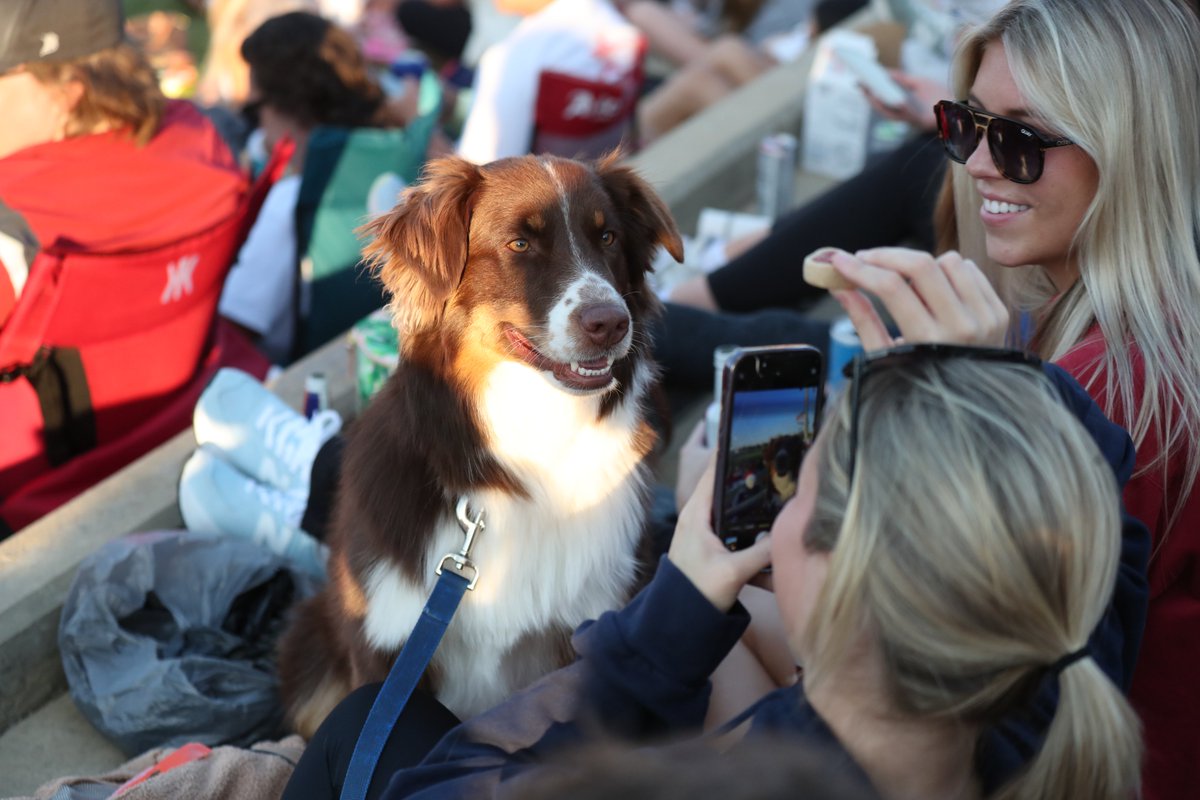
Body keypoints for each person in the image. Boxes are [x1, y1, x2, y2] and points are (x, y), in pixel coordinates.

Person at [287, 348, 1144, 799]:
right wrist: (984, 370)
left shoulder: (760, 778)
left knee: (366, 722)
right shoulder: (1047, 697)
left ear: (838, 573)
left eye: (798, 487)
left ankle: (288, 482)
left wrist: (672, 612)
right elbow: (1117, 539)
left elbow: (439, 788)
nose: (780, 504)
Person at [822, 2, 1200, 797]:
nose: (982, 164)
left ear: (1131, 154)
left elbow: (947, 654)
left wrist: (958, 409)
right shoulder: (1120, 339)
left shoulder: (1117, 387)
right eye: (969, 124)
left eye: (1024, 137)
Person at [0, 0, 252, 532]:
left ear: (68, 94)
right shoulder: (208, 145)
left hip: (41, 506)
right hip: (179, 436)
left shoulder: (18, 221)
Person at [216, 10, 441, 365]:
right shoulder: (401, 151)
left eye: (253, 109)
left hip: (304, 373)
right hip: (385, 352)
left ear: (286, 106)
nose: (255, 124)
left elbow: (236, 327)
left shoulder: (292, 200)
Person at [454, 0, 644, 164]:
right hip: (613, 179)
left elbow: (481, 171)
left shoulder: (511, 58)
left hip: (552, 196)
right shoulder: (611, 18)